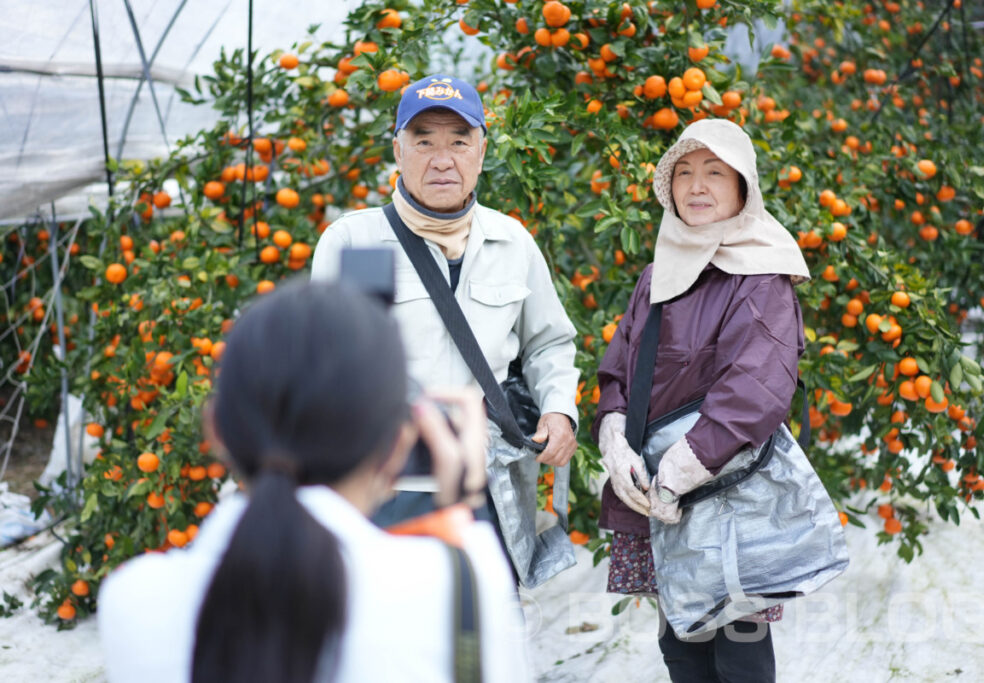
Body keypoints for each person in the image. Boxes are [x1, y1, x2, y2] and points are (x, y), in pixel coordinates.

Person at [98, 280, 530, 683]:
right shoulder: (455, 589)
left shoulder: (134, 598)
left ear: (217, 431)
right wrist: (464, 505)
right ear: (400, 442)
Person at [311, 75, 580, 586]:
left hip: (489, 477)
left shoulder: (510, 240)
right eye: (424, 141)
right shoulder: (357, 242)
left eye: (459, 141)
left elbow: (548, 341)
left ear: (481, 151)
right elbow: (325, 364)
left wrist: (559, 409)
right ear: (397, 149)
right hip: (389, 478)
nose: (442, 158)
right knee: (397, 633)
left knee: (484, 627)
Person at [592, 118, 811, 682]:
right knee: (681, 644)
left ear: (744, 189)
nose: (696, 186)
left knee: (737, 650)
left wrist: (678, 471)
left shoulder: (761, 274)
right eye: (683, 172)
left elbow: (754, 391)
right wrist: (615, 438)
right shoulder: (656, 275)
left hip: (725, 490)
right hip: (657, 495)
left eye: (715, 173)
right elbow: (620, 368)